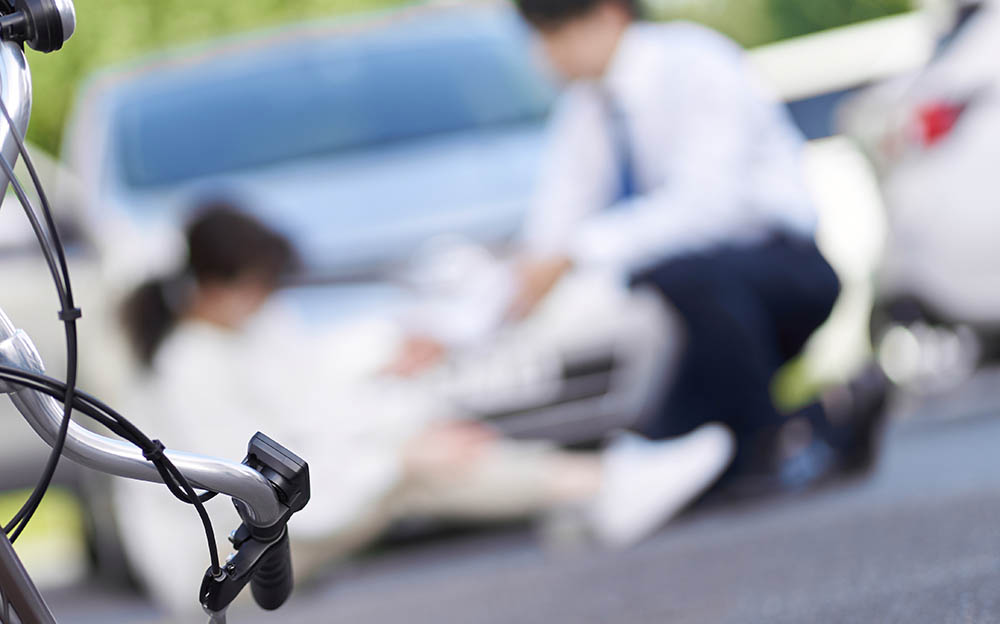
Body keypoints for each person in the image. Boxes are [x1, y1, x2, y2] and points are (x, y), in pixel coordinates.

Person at [113, 204, 734, 617]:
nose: (268, 299)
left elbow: (316, 411)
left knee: (420, 448)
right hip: (215, 567)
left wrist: (400, 417)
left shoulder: (236, 334)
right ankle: (601, 487)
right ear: (219, 286)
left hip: (266, 532)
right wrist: (398, 455)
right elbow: (251, 488)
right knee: (413, 471)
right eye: (258, 285)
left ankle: (593, 490)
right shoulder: (189, 365)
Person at [506, 0, 888, 485]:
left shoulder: (697, 64)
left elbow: (710, 208)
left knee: (676, 274)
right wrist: (477, 313)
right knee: (669, 441)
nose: (544, 57)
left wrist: (577, 253)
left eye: (553, 34)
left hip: (783, 272)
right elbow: (552, 225)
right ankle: (820, 421)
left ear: (609, 15)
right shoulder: (585, 111)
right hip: (694, 305)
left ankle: (774, 444)